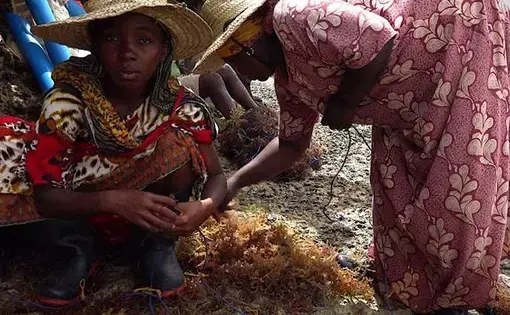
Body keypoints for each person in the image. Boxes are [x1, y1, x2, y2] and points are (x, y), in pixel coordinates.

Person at [192, 0, 510, 314]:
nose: (236, 70)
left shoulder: (293, 14)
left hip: (456, 41)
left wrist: (345, 102)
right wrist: (235, 182)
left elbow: (378, 35)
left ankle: (453, 298)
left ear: (247, 44)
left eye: (231, 60)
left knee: (455, 189)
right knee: (391, 180)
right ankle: (397, 276)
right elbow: (291, 145)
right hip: (403, 98)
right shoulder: (288, 80)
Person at [0, 0, 226, 307]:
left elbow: (216, 176)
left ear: (163, 51)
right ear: (94, 45)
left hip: (142, 214)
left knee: (178, 141)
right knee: (8, 152)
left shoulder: (179, 107)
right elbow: (47, 196)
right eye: (111, 39)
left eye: (144, 40)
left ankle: (156, 246)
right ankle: (77, 246)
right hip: (76, 203)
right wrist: (114, 199)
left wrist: (203, 207)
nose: (126, 52)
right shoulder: (67, 102)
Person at [178, 62, 259, 118]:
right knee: (212, 80)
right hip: (169, 86)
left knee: (224, 69)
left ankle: (258, 113)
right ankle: (238, 125)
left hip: (177, 79)